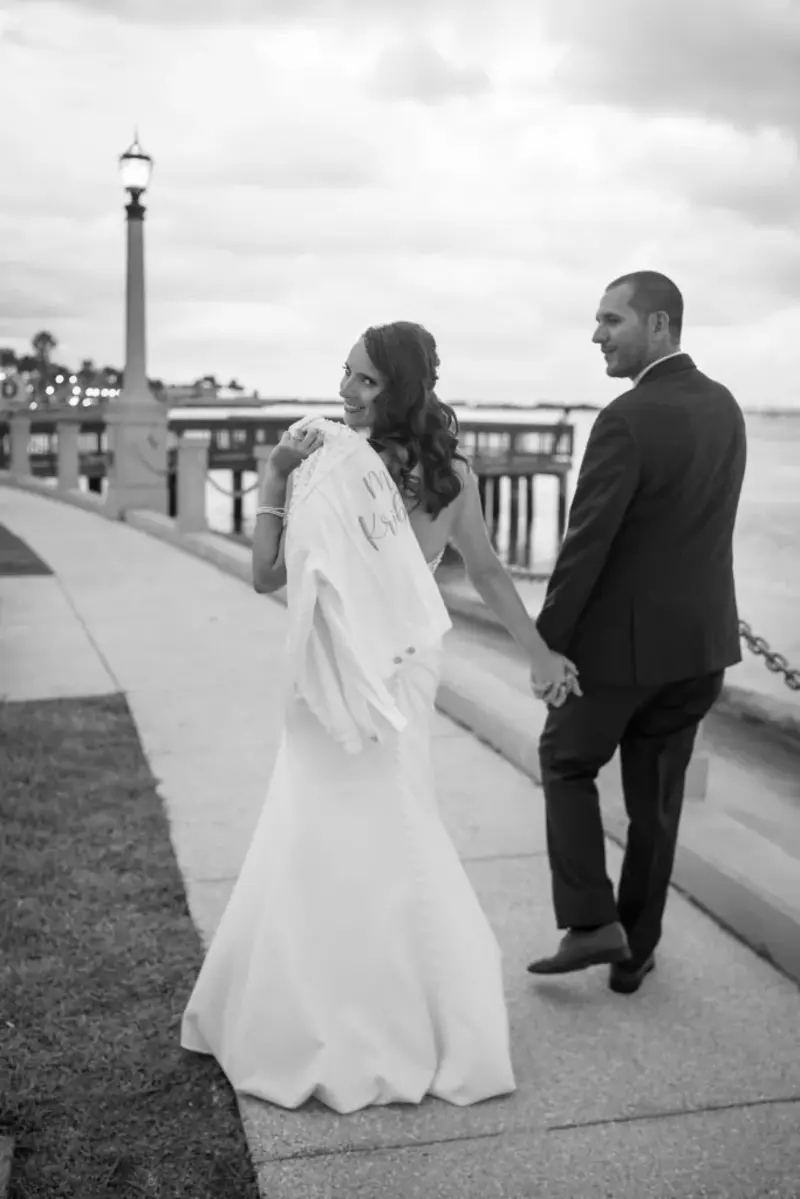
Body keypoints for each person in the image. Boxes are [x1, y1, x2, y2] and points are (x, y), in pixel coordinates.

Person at [181, 320, 576, 1112]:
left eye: (363, 379)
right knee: (353, 819)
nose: (344, 391)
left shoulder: (328, 462)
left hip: (362, 661)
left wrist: (271, 480)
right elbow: (483, 574)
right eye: (344, 374)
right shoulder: (429, 466)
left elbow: (268, 576)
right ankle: (393, 1009)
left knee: (370, 819)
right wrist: (535, 653)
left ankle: (360, 1012)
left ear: (399, 386)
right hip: (378, 657)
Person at [526, 272, 747, 993]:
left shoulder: (625, 419)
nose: (597, 334)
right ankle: (635, 953)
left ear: (659, 324)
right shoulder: (726, 408)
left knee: (565, 761)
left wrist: (546, 641)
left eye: (610, 320)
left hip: (620, 656)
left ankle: (592, 921)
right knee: (656, 802)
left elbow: (587, 544)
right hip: (701, 649)